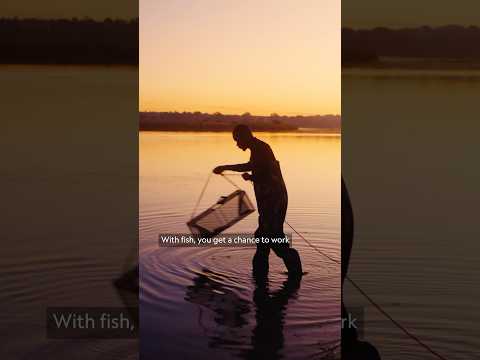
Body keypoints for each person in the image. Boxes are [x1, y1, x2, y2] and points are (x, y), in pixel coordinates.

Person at [213, 124, 303, 278]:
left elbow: (251, 167)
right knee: (263, 237)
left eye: (237, 140)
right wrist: (252, 177)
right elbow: (263, 172)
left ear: (245, 137)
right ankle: (261, 277)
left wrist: (225, 167)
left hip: (274, 201)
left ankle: (294, 270)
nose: (237, 144)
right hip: (271, 201)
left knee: (272, 238)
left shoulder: (260, 148)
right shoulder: (257, 149)